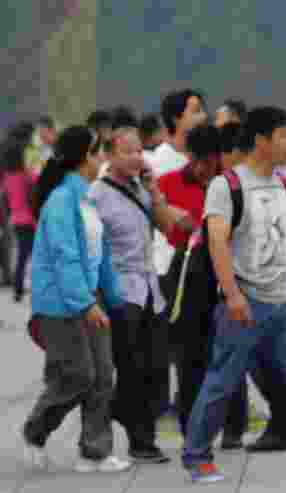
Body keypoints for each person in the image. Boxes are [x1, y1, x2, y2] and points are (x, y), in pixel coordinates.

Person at [181, 106, 286, 483]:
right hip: (245, 302)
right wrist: (232, 294)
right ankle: (196, 454)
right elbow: (217, 240)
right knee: (223, 381)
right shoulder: (226, 185)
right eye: (283, 136)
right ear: (261, 140)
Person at [21, 126, 131, 474]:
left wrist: (114, 298)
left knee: (102, 376)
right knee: (77, 375)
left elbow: (100, 253)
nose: (102, 159)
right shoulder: (60, 201)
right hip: (61, 302)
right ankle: (35, 431)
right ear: (85, 156)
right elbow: (64, 257)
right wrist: (85, 304)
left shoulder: (87, 198)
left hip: (90, 296)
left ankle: (94, 452)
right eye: (99, 152)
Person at [91, 121, 194, 464]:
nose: (136, 157)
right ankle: (141, 440)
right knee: (133, 367)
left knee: (156, 367)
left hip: (151, 287)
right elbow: (90, 249)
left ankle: (130, 419)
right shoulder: (96, 196)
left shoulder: (141, 189)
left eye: (139, 150)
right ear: (109, 155)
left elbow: (167, 227)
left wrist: (155, 192)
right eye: (127, 151)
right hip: (120, 292)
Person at [158, 124, 250, 448]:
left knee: (231, 348)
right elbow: (163, 226)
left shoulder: (235, 185)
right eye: (196, 160)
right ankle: (191, 429)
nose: (201, 169)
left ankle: (234, 427)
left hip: (228, 271)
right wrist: (173, 219)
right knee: (190, 355)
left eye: (209, 162)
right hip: (187, 271)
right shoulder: (168, 183)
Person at [2, 136, 37, 302]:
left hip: (16, 221)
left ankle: (18, 288)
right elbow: (38, 183)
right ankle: (27, 288)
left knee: (22, 256)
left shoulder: (7, 178)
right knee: (33, 255)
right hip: (30, 221)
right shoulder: (25, 176)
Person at [149, 89, 208, 178]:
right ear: (176, 119)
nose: (204, 116)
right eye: (196, 111)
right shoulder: (159, 161)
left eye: (203, 111)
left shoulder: (208, 156)